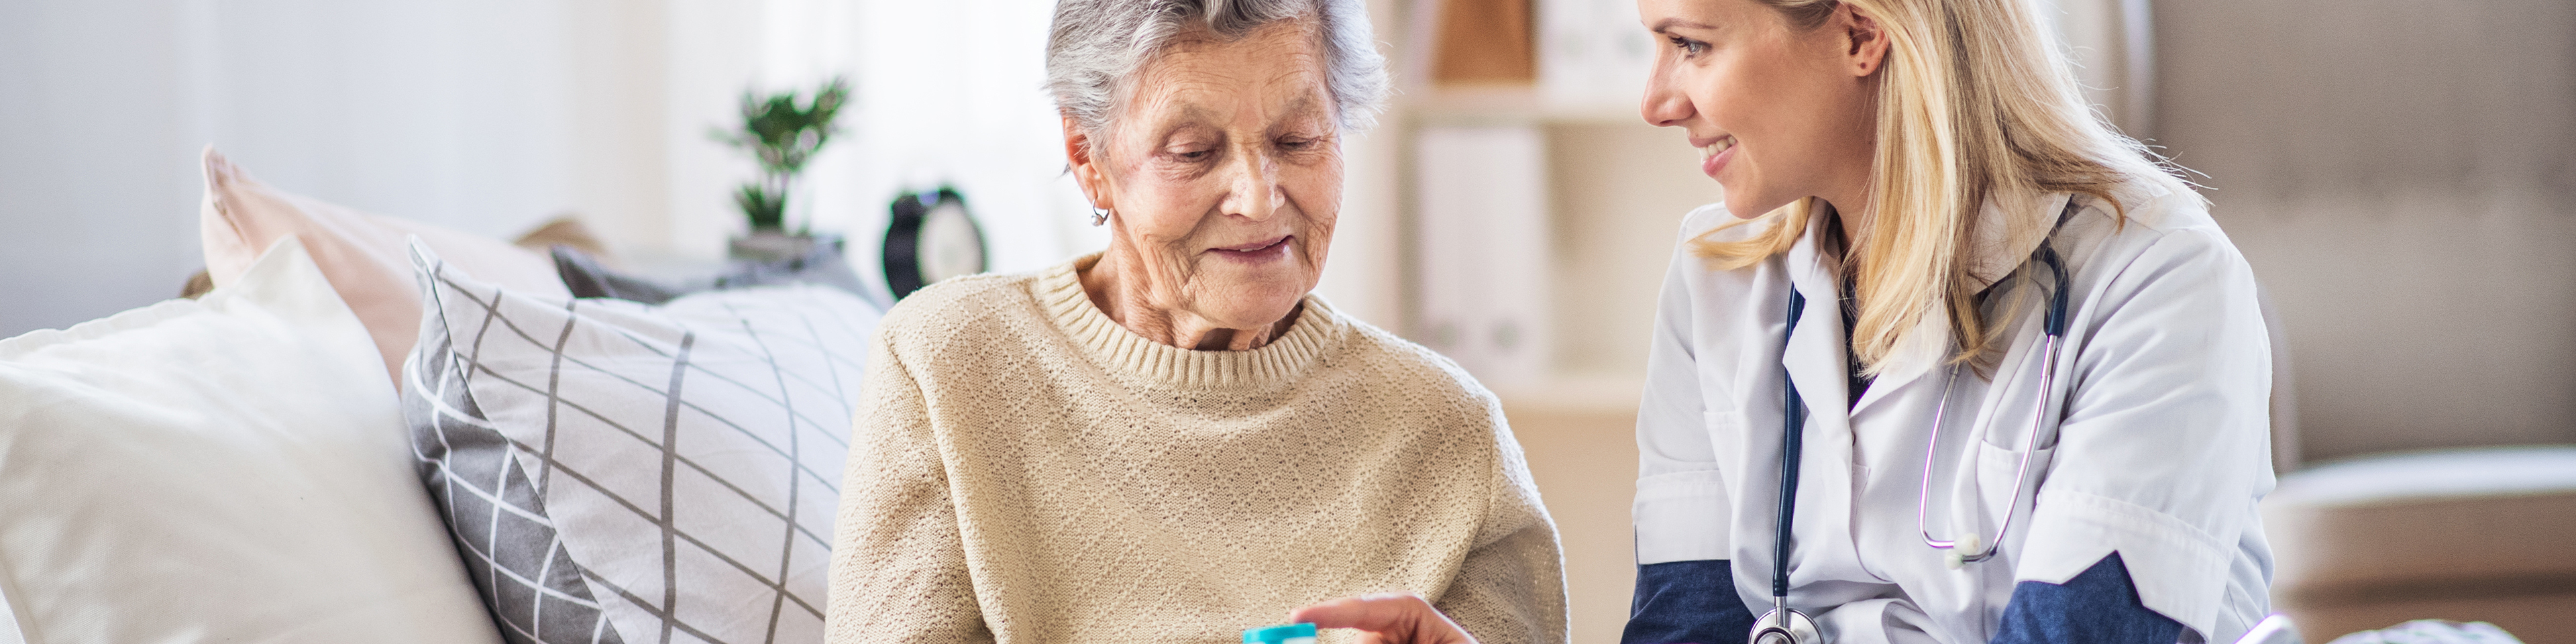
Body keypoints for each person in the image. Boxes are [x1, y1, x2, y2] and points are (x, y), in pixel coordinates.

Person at [1297, 0, 2275, 643]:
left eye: (1692, 44)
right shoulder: (1719, 282)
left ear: (1860, 33)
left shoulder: (2159, 283)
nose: (1654, 100)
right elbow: (1691, 628)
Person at [820, 0, 1568, 642]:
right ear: (1088, 157)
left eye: (1297, 140)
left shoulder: (1448, 430)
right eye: (1194, 152)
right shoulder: (949, 362)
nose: (1258, 197)